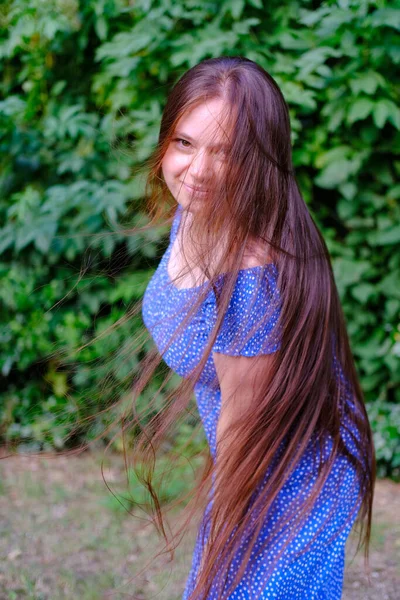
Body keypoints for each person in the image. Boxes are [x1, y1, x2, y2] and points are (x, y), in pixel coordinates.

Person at [140, 56, 375, 599]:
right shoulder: (197, 213)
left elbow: (245, 436)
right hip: (252, 459)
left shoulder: (252, 280)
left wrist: (215, 567)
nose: (197, 170)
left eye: (225, 153)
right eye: (185, 143)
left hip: (292, 481)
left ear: (260, 161)